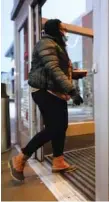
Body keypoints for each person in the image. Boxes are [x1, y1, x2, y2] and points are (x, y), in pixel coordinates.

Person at [9, 19, 84, 182]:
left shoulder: (57, 45)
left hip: (56, 91)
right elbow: (53, 68)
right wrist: (72, 90)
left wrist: (76, 75)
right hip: (45, 90)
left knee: (60, 126)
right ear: (55, 29)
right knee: (54, 127)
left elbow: (58, 69)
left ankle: (58, 161)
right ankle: (21, 158)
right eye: (62, 29)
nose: (65, 32)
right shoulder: (46, 44)